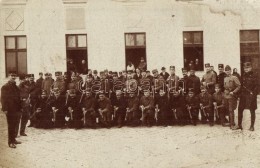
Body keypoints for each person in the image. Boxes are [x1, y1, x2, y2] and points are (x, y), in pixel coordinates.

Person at [1, 71, 22, 148]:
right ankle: (10, 142)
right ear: (8, 77)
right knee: (11, 126)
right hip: (10, 110)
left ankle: (14, 140)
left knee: (15, 125)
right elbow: (3, 99)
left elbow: (18, 98)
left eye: (14, 76)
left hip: (16, 109)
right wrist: (5, 109)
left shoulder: (16, 86)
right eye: (12, 76)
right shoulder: (5, 87)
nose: (13, 77)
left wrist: (20, 107)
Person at [235, 61, 258, 131]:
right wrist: (239, 94)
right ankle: (239, 125)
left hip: (251, 96)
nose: (246, 69)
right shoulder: (243, 75)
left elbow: (257, 86)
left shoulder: (255, 75)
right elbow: (241, 85)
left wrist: (254, 93)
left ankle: (252, 126)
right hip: (243, 96)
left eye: (247, 68)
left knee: (252, 110)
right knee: (240, 109)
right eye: (245, 68)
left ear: (251, 68)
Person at [223, 65, 241, 130]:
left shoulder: (234, 77)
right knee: (228, 109)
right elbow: (225, 87)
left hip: (232, 95)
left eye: (228, 70)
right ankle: (231, 122)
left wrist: (233, 92)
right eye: (226, 71)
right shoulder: (225, 78)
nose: (227, 72)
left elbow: (239, 86)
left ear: (231, 71)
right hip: (226, 95)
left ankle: (232, 124)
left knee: (231, 110)